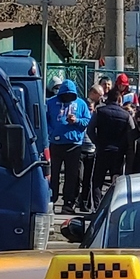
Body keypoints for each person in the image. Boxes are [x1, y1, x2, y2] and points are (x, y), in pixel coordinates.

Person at [46, 75, 92, 210]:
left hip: (74, 145)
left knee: (72, 176)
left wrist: (76, 121)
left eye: (70, 95)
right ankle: (51, 200)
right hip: (55, 144)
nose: (67, 98)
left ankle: (68, 202)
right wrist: (51, 131)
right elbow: (45, 119)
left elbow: (87, 121)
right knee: (53, 174)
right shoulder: (50, 102)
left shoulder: (81, 104)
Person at [88, 82, 135, 199]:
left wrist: (97, 143)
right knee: (117, 182)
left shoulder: (99, 111)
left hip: (102, 150)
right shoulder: (126, 115)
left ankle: (97, 206)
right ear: (119, 99)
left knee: (97, 181)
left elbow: (90, 130)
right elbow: (132, 135)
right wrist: (127, 152)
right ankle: (114, 205)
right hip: (118, 153)